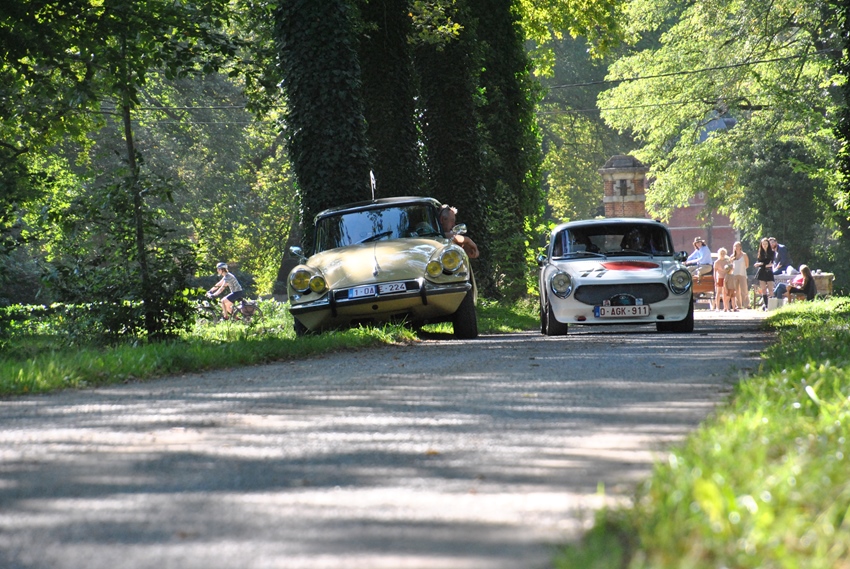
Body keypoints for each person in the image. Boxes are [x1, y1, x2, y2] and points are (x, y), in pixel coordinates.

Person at [753, 238, 775, 310]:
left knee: (771, 289)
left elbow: (771, 263)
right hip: (762, 272)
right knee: (763, 289)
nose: (765, 245)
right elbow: (761, 263)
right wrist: (762, 264)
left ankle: (772, 305)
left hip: (769, 272)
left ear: (768, 244)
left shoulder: (772, 252)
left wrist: (761, 264)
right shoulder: (760, 253)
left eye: (766, 244)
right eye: (763, 244)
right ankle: (766, 305)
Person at [729, 241, 750, 309]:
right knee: (736, 291)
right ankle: (738, 305)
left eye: (738, 246)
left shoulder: (744, 255)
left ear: (740, 247)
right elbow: (730, 266)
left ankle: (747, 304)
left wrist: (741, 269)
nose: (737, 247)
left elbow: (747, 265)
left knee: (744, 290)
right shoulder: (732, 256)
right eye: (735, 246)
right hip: (734, 275)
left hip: (742, 274)